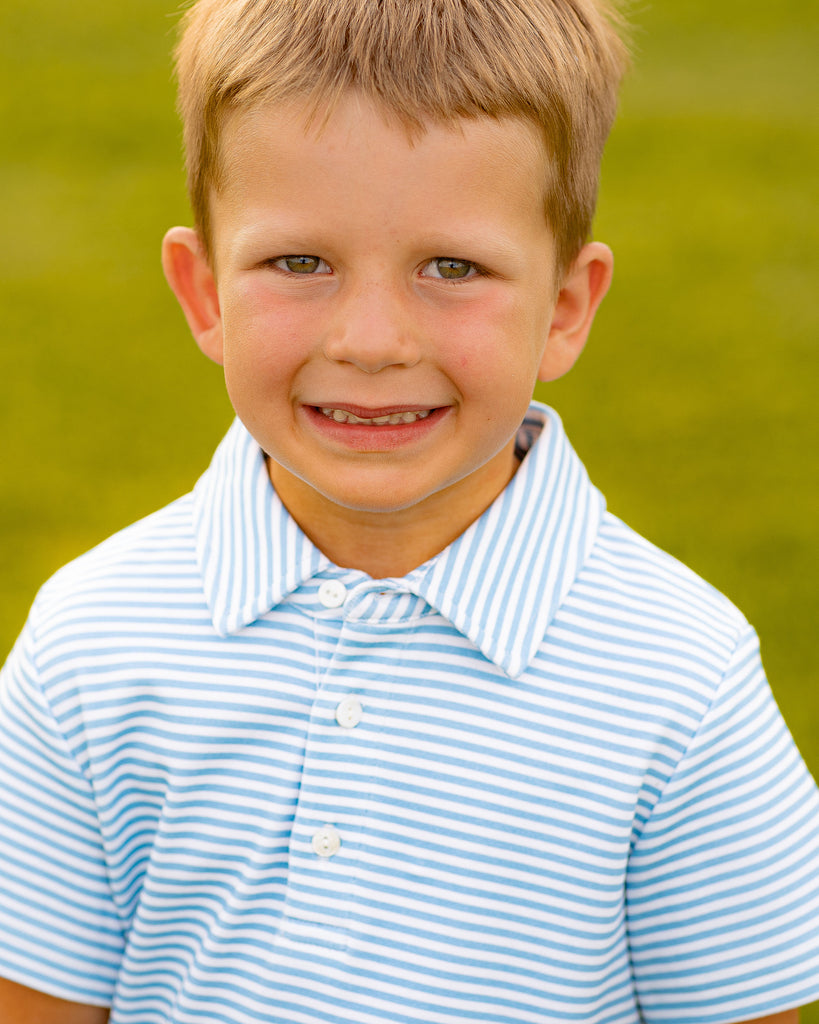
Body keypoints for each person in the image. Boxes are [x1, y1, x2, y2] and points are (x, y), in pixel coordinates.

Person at [0, 0, 817, 1021]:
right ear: (203, 291)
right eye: (300, 263)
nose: (373, 339)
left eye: (452, 268)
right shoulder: (90, 643)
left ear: (565, 306)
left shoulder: (679, 681)